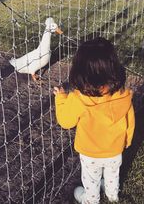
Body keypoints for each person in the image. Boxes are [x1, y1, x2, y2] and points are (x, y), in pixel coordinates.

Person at [53, 38, 135, 203]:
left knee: (91, 179)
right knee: (113, 173)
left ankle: (91, 199)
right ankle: (113, 196)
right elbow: (130, 122)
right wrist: (126, 141)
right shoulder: (123, 95)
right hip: (115, 150)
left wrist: (61, 98)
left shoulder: (79, 98)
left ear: (80, 71)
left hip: (90, 153)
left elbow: (66, 121)